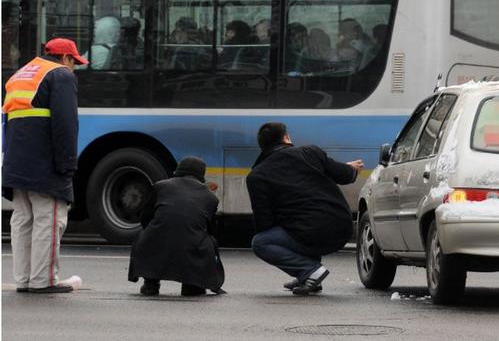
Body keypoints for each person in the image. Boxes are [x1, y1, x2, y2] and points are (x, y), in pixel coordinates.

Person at [2, 38, 88, 293]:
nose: (74, 69)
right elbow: (65, 124)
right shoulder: (60, 75)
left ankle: (25, 280)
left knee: (22, 219)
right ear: (66, 59)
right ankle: (44, 281)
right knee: (48, 219)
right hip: (44, 163)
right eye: (75, 63)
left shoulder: (20, 74)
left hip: (16, 163)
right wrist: (67, 165)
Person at [246, 122, 364, 295]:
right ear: (286, 138)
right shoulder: (310, 152)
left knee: (261, 242)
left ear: (262, 146)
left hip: (309, 232)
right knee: (301, 227)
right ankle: (308, 277)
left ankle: (308, 270)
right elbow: (344, 175)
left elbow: (264, 222)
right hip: (341, 227)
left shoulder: (257, 176)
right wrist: (351, 169)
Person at [128, 157, 225, 296]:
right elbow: (210, 229)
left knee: (144, 235)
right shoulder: (211, 197)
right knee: (209, 242)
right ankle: (192, 285)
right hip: (192, 250)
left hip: (155, 245)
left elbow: (145, 218)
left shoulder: (160, 186)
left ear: (178, 172)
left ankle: (151, 283)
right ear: (201, 176)